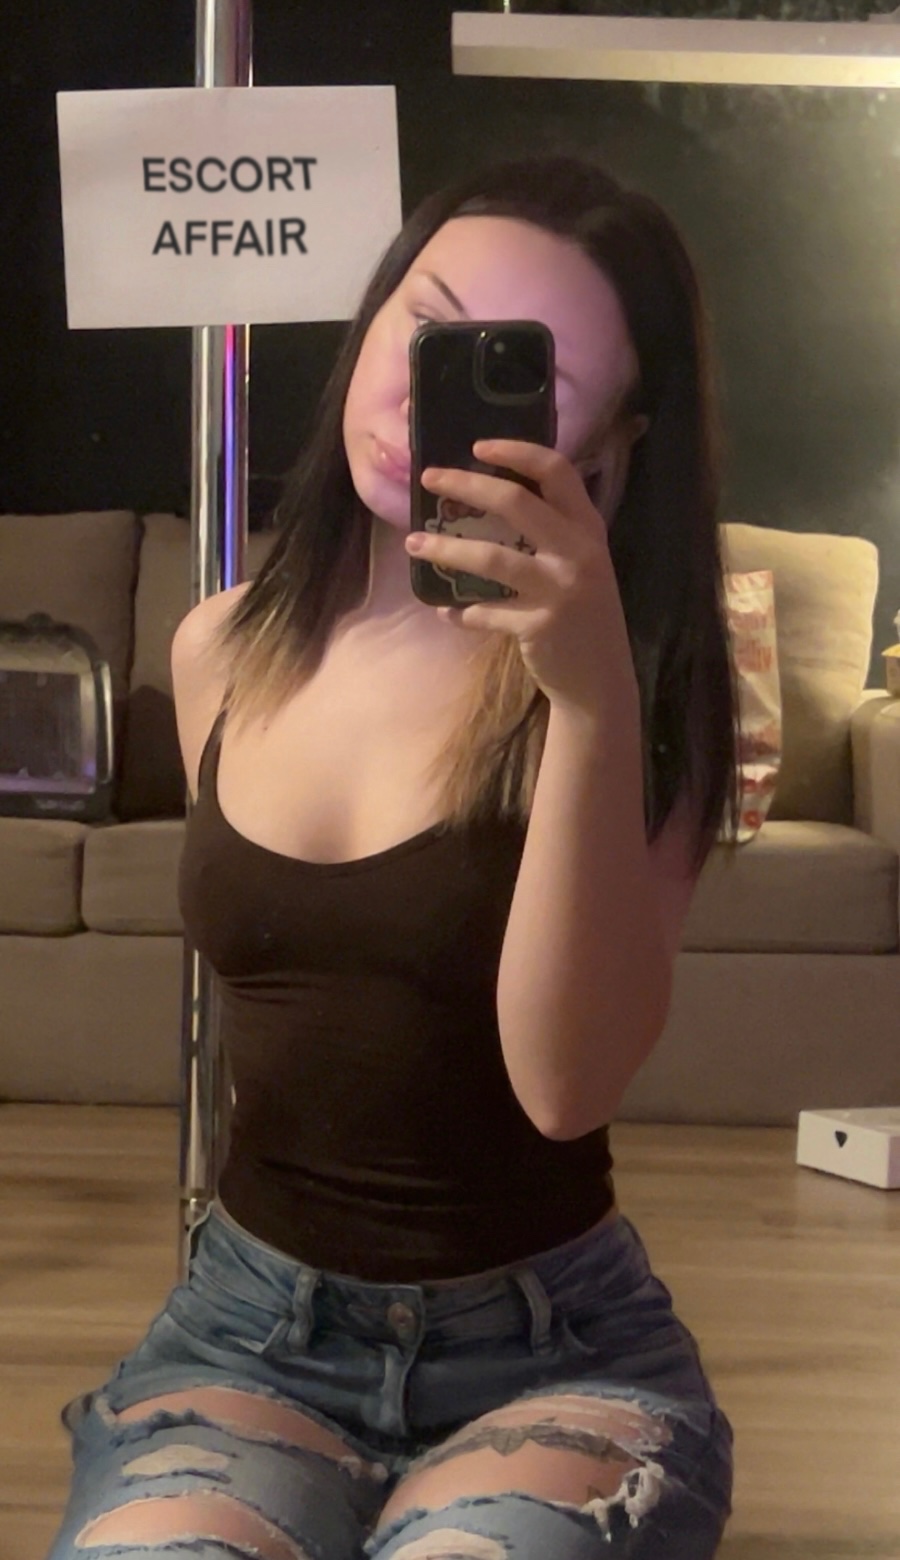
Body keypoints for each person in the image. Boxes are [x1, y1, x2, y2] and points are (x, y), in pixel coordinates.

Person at [48, 154, 740, 1560]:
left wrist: (588, 705)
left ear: (613, 440)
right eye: (423, 325)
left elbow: (567, 1085)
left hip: (554, 1350)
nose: (427, 393)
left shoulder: (642, 688)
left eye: (517, 374)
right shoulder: (222, 646)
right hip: (248, 1331)